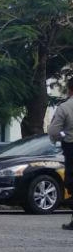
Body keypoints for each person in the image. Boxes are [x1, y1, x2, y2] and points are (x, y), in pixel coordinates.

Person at [48, 92, 73, 231]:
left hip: (71, 147)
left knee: (71, 181)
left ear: (70, 90)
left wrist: (62, 136)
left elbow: (53, 130)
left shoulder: (65, 107)